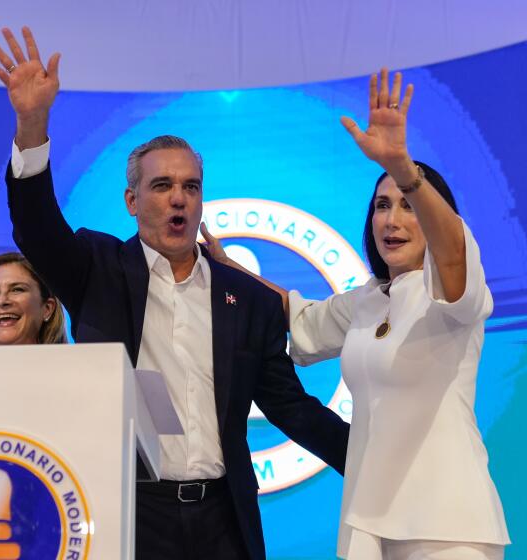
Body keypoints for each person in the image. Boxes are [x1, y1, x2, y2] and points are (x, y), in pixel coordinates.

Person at [0, 27, 349, 560]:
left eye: (190, 187)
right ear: (132, 200)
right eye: (162, 187)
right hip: (131, 513)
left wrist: (377, 461)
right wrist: (32, 125)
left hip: (226, 519)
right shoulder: (98, 269)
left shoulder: (249, 300)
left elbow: (292, 409)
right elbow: (36, 228)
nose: (179, 199)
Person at [203, 69, 509, 559]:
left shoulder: (452, 287)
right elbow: (296, 315)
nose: (392, 219)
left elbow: (452, 252)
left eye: (409, 206)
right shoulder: (370, 299)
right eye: (383, 205)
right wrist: (229, 269)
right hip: (370, 521)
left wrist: (403, 167)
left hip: (447, 527)